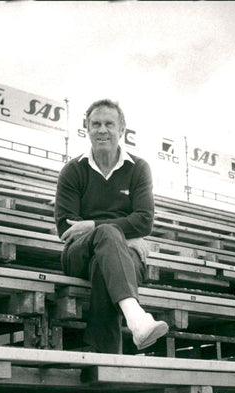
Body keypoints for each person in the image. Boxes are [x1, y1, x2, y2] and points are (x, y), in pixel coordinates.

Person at [54, 99, 168, 353]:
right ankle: (136, 316)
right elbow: (66, 227)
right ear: (87, 129)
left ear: (121, 130)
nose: (102, 130)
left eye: (109, 124)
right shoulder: (73, 170)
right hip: (78, 254)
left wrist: (94, 224)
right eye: (96, 124)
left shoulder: (138, 168)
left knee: (103, 264)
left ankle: (103, 354)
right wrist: (117, 231)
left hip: (123, 258)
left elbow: (145, 220)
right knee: (108, 234)